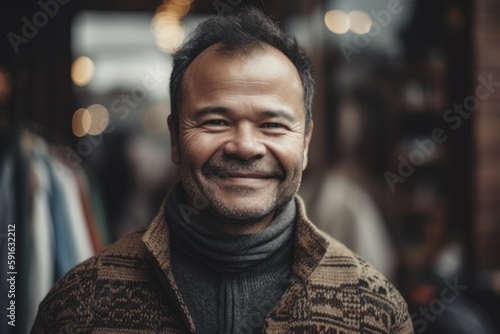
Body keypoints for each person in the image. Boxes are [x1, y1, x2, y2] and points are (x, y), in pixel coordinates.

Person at [32, 7, 413, 334]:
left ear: (306, 143)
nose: (245, 146)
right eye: (215, 121)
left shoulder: (372, 308)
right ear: (175, 139)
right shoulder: (82, 304)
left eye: (273, 125)